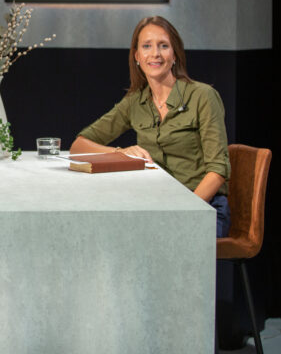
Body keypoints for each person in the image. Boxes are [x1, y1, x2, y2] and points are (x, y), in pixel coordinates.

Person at [70, 16, 231, 237]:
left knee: (155, 241)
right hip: (156, 205)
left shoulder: (203, 96)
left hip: (202, 205)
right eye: (147, 46)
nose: (155, 53)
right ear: (137, 56)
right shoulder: (135, 102)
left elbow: (217, 171)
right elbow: (79, 147)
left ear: (174, 55)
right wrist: (121, 153)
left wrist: (185, 210)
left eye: (163, 46)